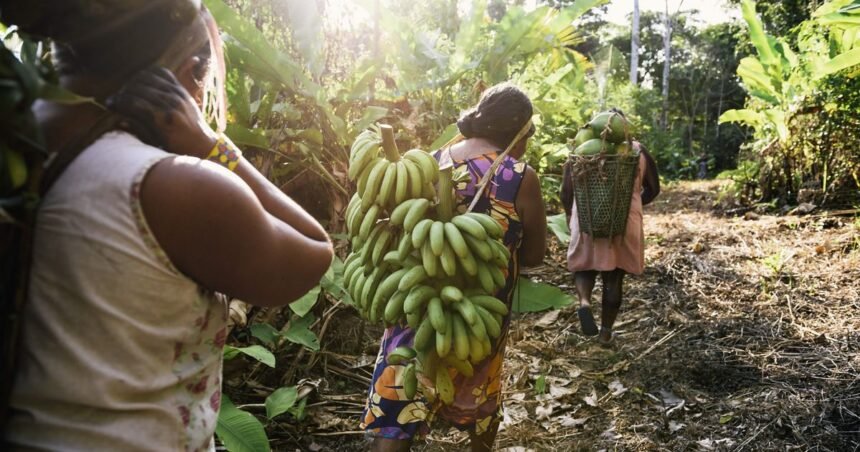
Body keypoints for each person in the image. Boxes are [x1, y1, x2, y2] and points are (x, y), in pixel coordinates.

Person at [3, 2, 333, 449]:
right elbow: (314, 253)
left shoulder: (17, 139)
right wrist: (213, 146)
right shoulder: (173, 186)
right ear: (187, 72)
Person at [361, 83, 547, 452]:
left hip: (416, 294)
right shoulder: (518, 177)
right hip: (480, 311)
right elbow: (534, 256)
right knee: (477, 390)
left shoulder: (428, 162)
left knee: (401, 391)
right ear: (521, 131)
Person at [561, 109, 660, 346]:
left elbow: (566, 190)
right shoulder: (638, 151)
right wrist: (633, 203)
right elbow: (654, 189)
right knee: (614, 278)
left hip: (586, 217)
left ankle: (584, 302)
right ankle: (605, 333)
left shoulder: (580, 149)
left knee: (584, 267)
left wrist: (569, 213)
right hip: (625, 219)